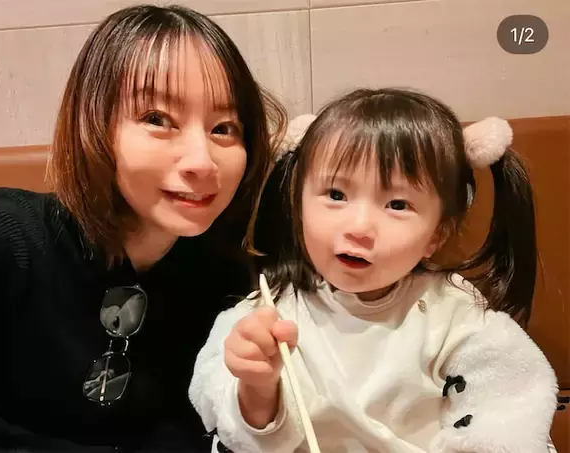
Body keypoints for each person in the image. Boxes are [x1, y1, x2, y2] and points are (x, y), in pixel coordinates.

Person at [0, 4, 286, 452]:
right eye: (157, 119)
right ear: (93, 124)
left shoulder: (223, 281)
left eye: (223, 128)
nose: (202, 162)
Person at [188, 88, 559, 453]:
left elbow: (512, 404)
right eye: (336, 195)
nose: (359, 227)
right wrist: (256, 390)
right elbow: (227, 421)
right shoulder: (265, 315)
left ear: (437, 234)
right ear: (298, 207)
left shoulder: (455, 315)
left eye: (397, 204)